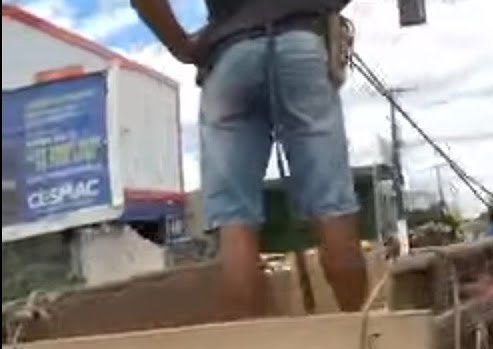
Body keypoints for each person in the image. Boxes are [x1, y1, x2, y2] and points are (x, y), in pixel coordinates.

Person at [131, 0, 367, 318]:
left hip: (228, 55)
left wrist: (182, 47)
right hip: (300, 42)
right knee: (332, 204)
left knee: (235, 220)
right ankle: (367, 341)